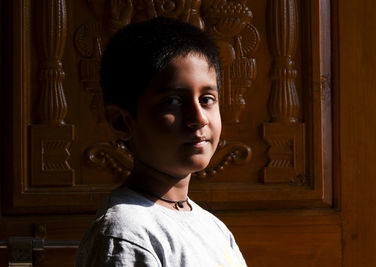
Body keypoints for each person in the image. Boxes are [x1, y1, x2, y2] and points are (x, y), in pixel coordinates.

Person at [75, 17, 247, 267]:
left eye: (207, 99)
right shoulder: (126, 234)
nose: (198, 118)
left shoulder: (214, 229)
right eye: (174, 101)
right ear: (122, 122)